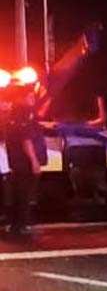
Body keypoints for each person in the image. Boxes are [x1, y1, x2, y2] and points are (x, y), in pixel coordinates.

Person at [4, 87, 44, 237]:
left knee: (17, 192)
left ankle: (15, 224)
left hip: (15, 159)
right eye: (30, 97)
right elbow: (26, 140)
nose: (33, 99)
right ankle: (21, 225)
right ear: (21, 99)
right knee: (24, 193)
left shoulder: (12, 115)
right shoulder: (25, 114)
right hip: (24, 161)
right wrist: (34, 161)